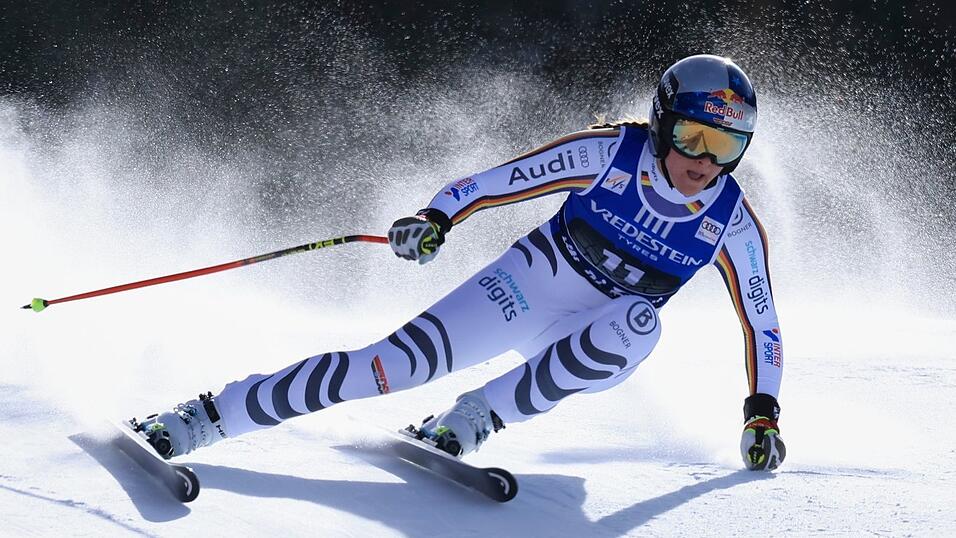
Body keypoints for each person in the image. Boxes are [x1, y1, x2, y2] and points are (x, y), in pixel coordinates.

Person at [138, 54, 786, 472]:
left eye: (726, 144)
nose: (704, 160)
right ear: (660, 122)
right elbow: (492, 182)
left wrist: (762, 414)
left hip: (591, 338)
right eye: (692, 136)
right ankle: (201, 418)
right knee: (385, 368)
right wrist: (434, 221)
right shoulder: (611, 153)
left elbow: (763, 327)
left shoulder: (731, 222)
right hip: (527, 287)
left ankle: (475, 417)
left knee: (641, 324)